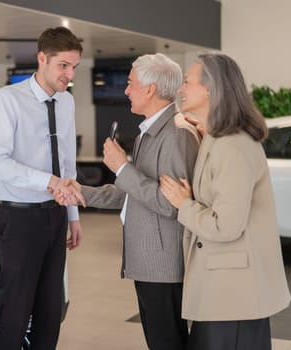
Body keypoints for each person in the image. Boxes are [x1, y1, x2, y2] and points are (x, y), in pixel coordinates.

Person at [55, 53, 200, 349]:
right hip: (149, 262)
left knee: (167, 343)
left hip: (164, 266)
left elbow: (172, 205)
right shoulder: (150, 133)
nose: (125, 90)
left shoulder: (175, 134)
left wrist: (122, 168)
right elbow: (132, 191)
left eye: (130, 83)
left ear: (150, 89)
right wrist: (81, 191)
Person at [159, 53, 291, 350]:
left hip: (233, 297)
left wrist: (184, 204)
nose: (181, 89)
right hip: (225, 293)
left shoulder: (233, 146)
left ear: (210, 89)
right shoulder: (219, 138)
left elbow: (226, 226)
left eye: (188, 82)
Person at [0, 27, 85, 350]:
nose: (69, 75)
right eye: (63, 66)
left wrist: (72, 215)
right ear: (42, 58)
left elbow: (67, 164)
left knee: (50, 310)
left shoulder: (67, 102)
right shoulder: (8, 99)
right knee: (16, 308)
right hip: (19, 217)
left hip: (55, 216)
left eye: (74, 67)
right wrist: (49, 182)